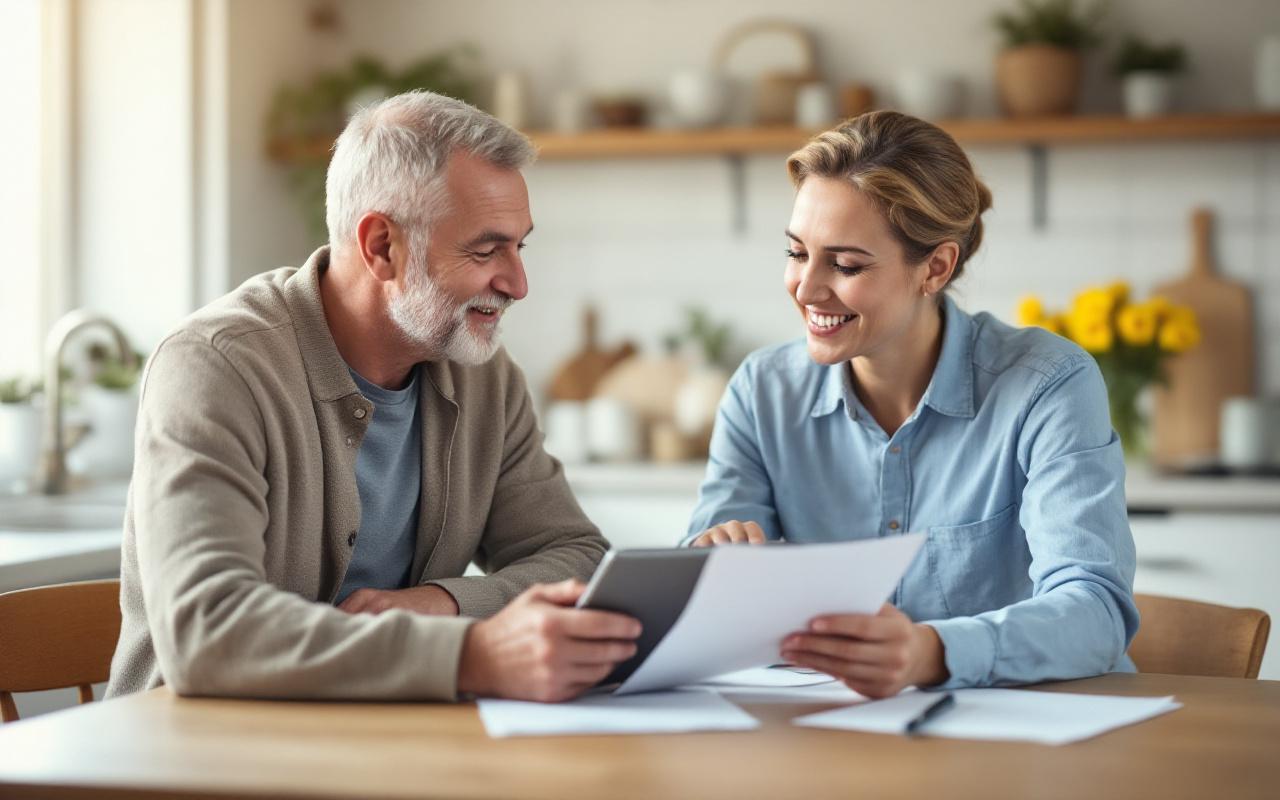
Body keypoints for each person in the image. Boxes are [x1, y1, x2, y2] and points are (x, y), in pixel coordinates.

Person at [107, 91, 640, 704]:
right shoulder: (216, 365)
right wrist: (470, 653)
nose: (518, 283)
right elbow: (207, 630)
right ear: (382, 245)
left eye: (521, 246)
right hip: (189, 764)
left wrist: (441, 604)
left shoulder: (485, 376)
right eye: (486, 249)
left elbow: (575, 556)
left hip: (374, 745)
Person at [685, 111, 1138, 699]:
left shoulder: (1046, 385)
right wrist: (710, 566)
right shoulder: (762, 391)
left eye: (846, 265)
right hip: (834, 738)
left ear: (936, 267)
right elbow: (706, 591)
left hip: (1020, 740)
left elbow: (1096, 610)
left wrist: (932, 652)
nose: (807, 287)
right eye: (798, 253)